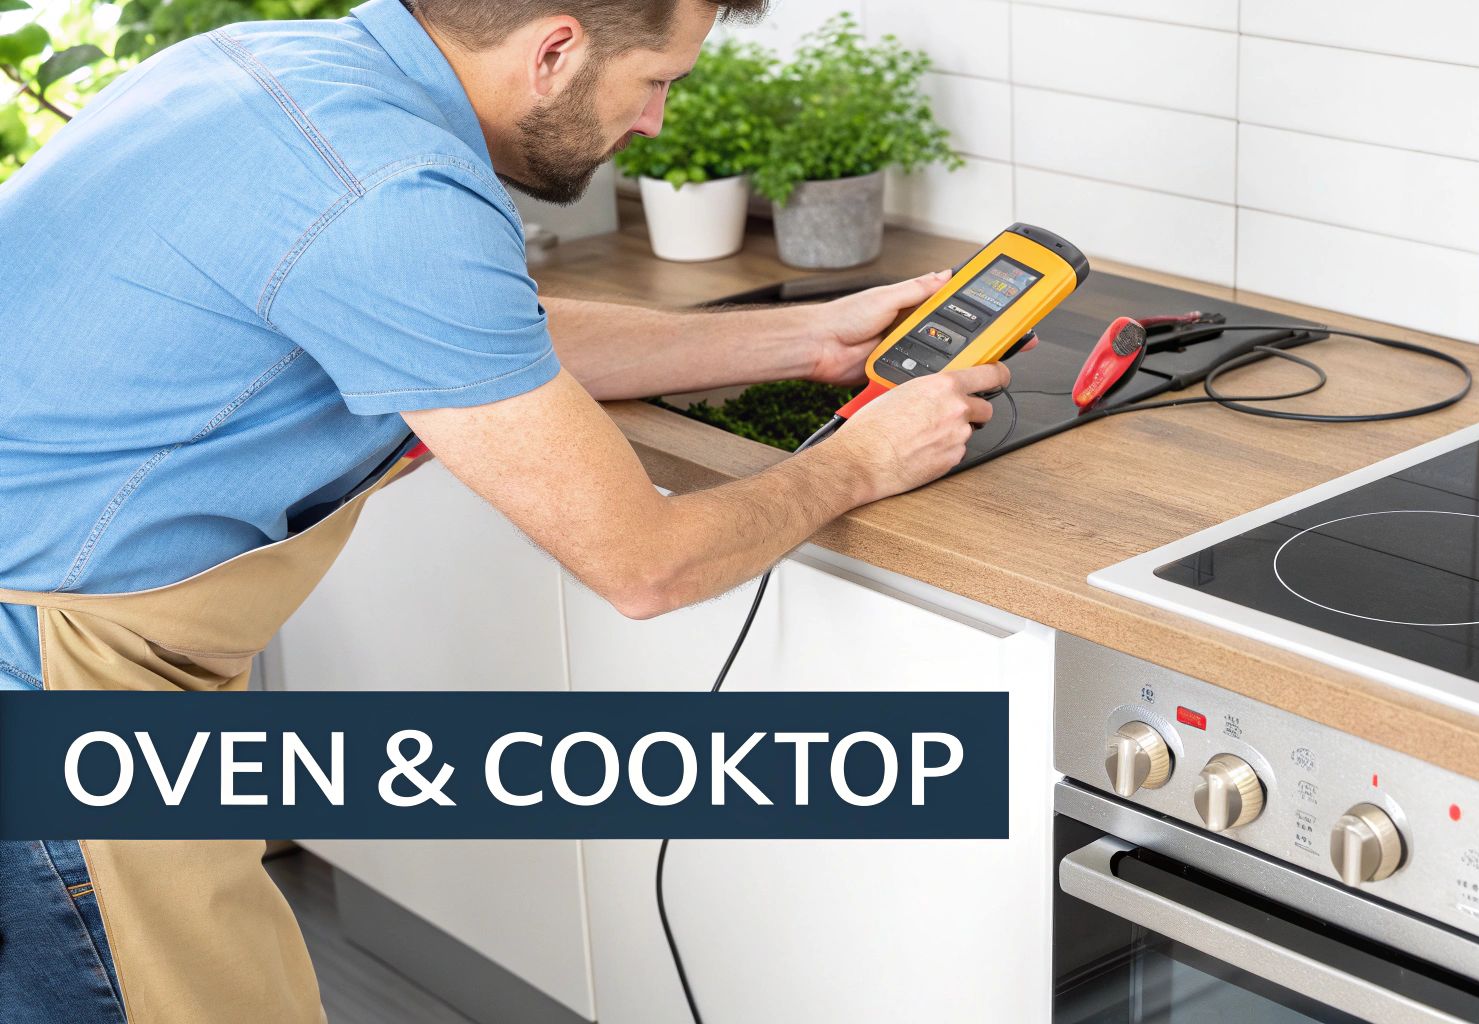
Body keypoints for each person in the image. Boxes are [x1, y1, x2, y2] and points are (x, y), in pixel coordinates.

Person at [0, 1, 1007, 1020]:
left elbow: (473, 332)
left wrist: (805, 341)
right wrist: (857, 462)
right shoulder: (392, 190)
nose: (656, 119)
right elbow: (645, 562)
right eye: (657, 77)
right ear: (556, 49)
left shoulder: (284, 71)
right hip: (43, 679)